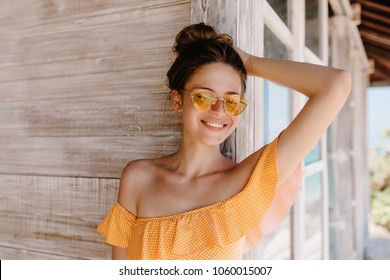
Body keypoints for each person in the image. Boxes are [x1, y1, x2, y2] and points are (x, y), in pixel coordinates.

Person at [97, 22, 351, 260]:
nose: (219, 110)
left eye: (232, 101)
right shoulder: (138, 177)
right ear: (177, 101)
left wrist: (250, 63)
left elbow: (335, 84)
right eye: (204, 97)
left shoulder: (247, 182)